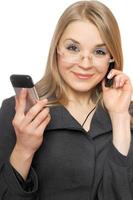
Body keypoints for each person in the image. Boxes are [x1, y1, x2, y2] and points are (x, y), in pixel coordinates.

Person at [0, 0, 133, 199]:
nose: (85, 63)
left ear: (111, 57)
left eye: (99, 52)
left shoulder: (124, 112)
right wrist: (24, 149)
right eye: (73, 48)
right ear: (57, 49)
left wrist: (120, 117)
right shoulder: (18, 111)